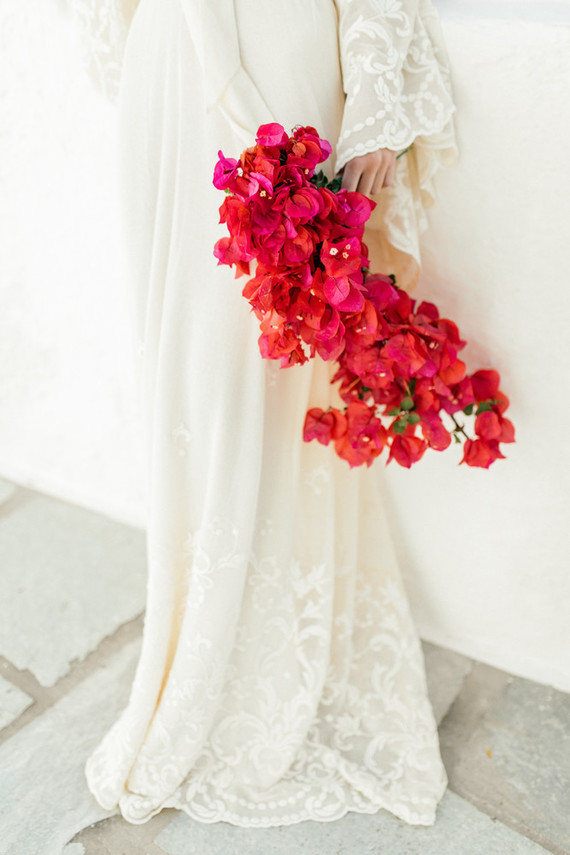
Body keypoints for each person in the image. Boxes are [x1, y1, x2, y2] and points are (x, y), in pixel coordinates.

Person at [83, 0, 457, 828]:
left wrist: (375, 102)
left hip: (279, 64)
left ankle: (257, 657)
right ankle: (186, 644)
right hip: (168, 67)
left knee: (264, 374)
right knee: (184, 378)